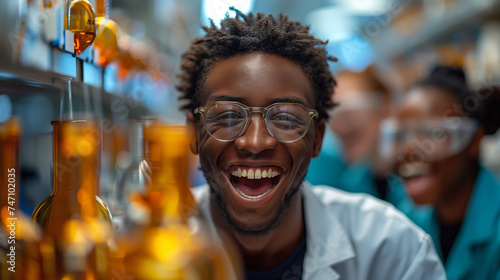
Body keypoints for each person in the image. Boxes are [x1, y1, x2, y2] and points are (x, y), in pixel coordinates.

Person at [177, 10, 446, 280]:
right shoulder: (143, 248)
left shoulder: (393, 250)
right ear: (194, 134)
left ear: (316, 138)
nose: (255, 142)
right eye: (228, 116)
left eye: (284, 118)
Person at [382, 65, 500, 279]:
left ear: (473, 141)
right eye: (401, 136)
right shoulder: (406, 219)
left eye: (431, 134)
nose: (409, 151)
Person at [306, 67, 403, 204]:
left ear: (385, 108)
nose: (340, 127)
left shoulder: (421, 170)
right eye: (330, 117)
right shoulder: (351, 189)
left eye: (347, 111)